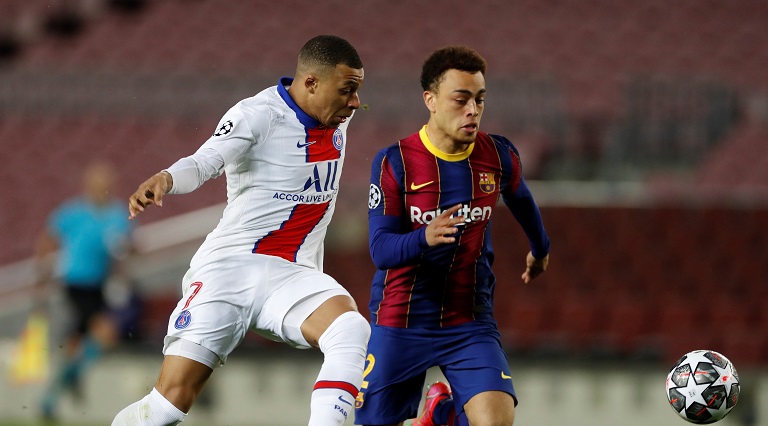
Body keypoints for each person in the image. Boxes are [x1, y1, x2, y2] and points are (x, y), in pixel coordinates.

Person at [112, 34, 370, 426]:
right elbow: (205, 160)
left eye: (357, 90)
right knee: (167, 406)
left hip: (292, 274)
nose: (354, 102)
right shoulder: (256, 114)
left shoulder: (336, 114)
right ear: (311, 83)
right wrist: (167, 177)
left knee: (350, 328)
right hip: (230, 269)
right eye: (347, 90)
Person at [354, 46, 550, 426]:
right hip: (401, 320)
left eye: (480, 99)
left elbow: (522, 199)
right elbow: (380, 250)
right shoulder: (395, 162)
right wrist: (424, 237)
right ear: (430, 100)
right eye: (461, 100)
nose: (472, 110)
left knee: (496, 422)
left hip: (468, 320)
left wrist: (541, 249)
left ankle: (441, 414)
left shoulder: (498, 155)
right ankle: (440, 414)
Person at [36, 160, 132, 420]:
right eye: (98, 184)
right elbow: (48, 239)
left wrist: (123, 270)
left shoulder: (117, 214)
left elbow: (127, 248)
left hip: (99, 286)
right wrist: (43, 274)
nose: (103, 189)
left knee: (78, 344)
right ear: (88, 186)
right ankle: (70, 380)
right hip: (75, 284)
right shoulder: (73, 212)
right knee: (104, 333)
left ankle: (50, 399)